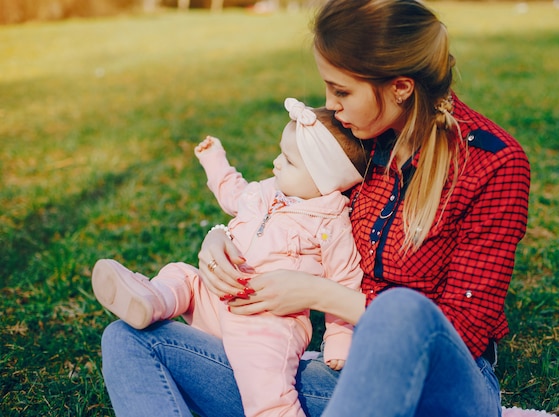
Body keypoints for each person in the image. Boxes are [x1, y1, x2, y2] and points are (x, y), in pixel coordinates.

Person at [98, 1, 531, 416]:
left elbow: (464, 331)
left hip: (438, 390)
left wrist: (318, 294)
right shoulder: (359, 136)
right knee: (130, 338)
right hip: (344, 377)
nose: (331, 104)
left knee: (402, 310)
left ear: (401, 86)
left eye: (341, 90)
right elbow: (288, 206)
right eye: (327, 86)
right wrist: (222, 238)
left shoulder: (493, 164)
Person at [93, 98, 367, 417]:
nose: (276, 163)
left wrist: (339, 341)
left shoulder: (330, 224)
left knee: (265, 387)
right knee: (182, 276)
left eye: (289, 161)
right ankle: (151, 300)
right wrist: (214, 160)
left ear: (325, 181)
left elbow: (345, 280)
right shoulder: (267, 191)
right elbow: (233, 192)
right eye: (281, 153)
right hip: (216, 296)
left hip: (265, 322)